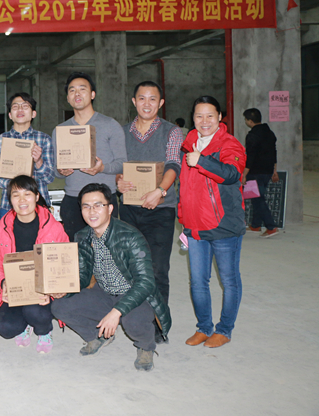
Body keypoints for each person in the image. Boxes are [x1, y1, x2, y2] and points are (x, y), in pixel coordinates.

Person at [51, 183, 171, 371]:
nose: (92, 211)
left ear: (110, 208)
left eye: (98, 205)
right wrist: (66, 290)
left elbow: (145, 282)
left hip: (134, 293)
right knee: (60, 307)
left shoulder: (130, 236)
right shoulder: (82, 236)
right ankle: (97, 336)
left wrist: (117, 312)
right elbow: (83, 276)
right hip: (104, 291)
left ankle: (146, 346)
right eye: (86, 206)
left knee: (133, 322)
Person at [179, 96, 246, 349]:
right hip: (196, 226)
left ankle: (224, 329)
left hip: (224, 225)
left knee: (229, 280)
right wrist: (184, 219)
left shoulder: (229, 144)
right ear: (193, 118)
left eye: (210, 115)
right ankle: (204, 327)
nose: (204, 121)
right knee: (198, 281)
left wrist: (202, 161)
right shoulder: (189, 144)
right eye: (199, 116)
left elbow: (232, 174)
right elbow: (186, 187)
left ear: (219, 117)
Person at [115, 82, 183, 309]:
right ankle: (135, 318)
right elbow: (118, 167)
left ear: (161, 103)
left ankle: (159, 322)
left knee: (157, 269)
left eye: (152, 99)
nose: (147, 103)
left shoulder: (171, 131)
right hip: (129, 209)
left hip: (161, 210)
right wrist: (118, 181)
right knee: (129, 266)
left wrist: (160, 190)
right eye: (142, 98)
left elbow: (173, 164)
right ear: (134, 102)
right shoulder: (122, 132)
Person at [0, 175, 68, 353]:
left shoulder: (54, 227)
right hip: (16, 288)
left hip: (43, 289)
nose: (22, 200)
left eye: (27, 194)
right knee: (5, 328)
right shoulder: (0, 228)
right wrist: (4, 283)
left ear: (37, 196)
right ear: (10, 200)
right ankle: (25, 325)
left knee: (36, 313)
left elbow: (64, 263)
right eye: (16, 195)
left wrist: (52, 290)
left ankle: (44, 331)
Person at [51, 72, 127, 240]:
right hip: (73, 199)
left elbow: (122, 163)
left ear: (92, 94)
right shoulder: (60, 130)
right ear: (68, 98)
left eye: (82, 89)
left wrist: (102, 168)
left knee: (106, 249)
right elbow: (55, 170)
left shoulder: (110, 125)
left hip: (103, 199)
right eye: (72, 90)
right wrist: (61, 170)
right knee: (76, 251)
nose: (77, 94)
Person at [0, 92, 56, 221]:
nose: (20, 109)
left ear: (33, 114)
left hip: (39, 205)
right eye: (15, 107)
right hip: (9, 205)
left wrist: (38, 161)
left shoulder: (44, 140)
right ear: (10, 115)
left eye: (25, 106)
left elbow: (49, 178)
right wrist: (22, 183)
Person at [242, 108, 279, 237]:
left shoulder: (252, 135)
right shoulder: (270, 133)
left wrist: (244, 174)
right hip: (268, 171)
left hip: (255, 171)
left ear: (250, 121)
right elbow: (274, 153)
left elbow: (250, 157)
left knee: (258, 199)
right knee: (257, 197)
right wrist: (274, 170)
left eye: (246, 119)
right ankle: (256, 225)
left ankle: (271, 226)